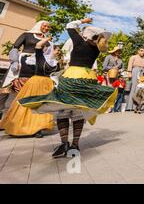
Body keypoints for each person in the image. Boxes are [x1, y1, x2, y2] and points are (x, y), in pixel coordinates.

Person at [19, 18, 117, 157]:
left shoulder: (79, 42)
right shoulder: (97, 49)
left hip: (72, 75)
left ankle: (64, 143)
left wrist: (83, 20)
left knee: (62, 109)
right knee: (78, 111)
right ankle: (75, 145)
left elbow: (70, 25)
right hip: (87, 78)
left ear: (86, 36)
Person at [0, 37, 60, 137]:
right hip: (35, 83)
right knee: (29, 105)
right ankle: (19, 126)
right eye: (57, 50)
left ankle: (38, 128)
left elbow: (56, 75)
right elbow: (38, 46)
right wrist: (47, 39)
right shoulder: (40, 56)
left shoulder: (56, 63)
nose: (58, 52)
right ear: (52, 49)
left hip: (47, 85)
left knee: (42, 107)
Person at [1, 21, 51, 118]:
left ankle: (22, 118)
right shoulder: (27, 35)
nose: (47, 28)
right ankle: (1, 116)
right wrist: (14, 61)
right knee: (6, 90)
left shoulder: (47, 40)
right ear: (39, 25)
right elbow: (15, 47)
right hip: (20, 64)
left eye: (48, 27)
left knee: (28, 93)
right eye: (45, 25)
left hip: (36, 68)